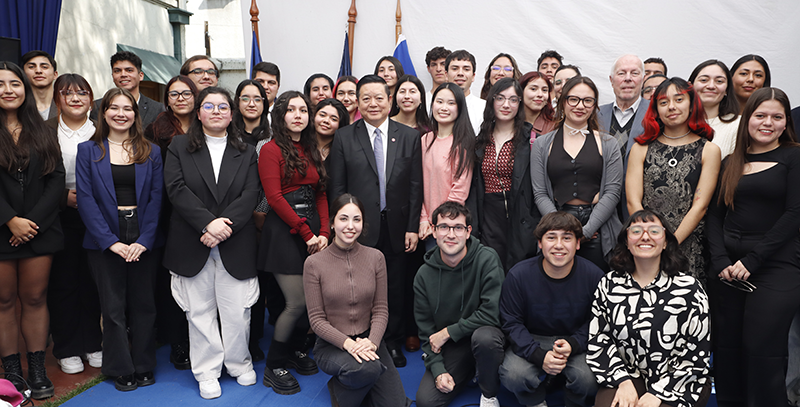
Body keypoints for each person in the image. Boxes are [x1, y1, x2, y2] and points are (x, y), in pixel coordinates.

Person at [162, 87, 260, 399]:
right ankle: (206, 371)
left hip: (235, 241)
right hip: (192, 239)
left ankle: (239, 363)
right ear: (199, 112)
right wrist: (208, 223)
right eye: (209, 106)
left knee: (237, 311)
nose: (216, 111)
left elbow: (250, 194)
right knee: (199, 313)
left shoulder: (246, 149)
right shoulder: (179, 146)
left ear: (232, 114)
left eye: (222, 106)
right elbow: (175, 188)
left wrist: (222, 227)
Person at [706, 87, 800, 407]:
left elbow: (794, 214)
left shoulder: (794, 156)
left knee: (762, 349)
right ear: (748, 119)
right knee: (727, 349)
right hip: (728, 269)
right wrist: (720, 261)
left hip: (776, 266)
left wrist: (754, 258)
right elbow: (715, 216)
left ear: (786, 122)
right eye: (760, 115)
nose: (767, 123)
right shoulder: (732, 160)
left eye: (777, 117)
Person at [327, 75, 423, 368]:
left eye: (379, 97)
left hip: (396, 227)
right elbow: (337, 188)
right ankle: (364, 340)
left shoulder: (408, 136)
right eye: (365, 98)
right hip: (359, 228)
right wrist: (343, 226)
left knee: (394, 287)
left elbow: (415, 185)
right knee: (361, 287)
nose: (373, 104)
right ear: (357, 101)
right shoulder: (345, 136)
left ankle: (390, 342)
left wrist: (411, 226)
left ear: (389, 100)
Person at [76, 87, 162, 392]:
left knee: (144, 304)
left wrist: (145, 239)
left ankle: (144, 364)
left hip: (142, 234)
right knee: (111, 308)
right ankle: (120, 367)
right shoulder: (88, 151)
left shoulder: (151, 151)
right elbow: (85, 200)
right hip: (103, 239)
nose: (121, 113)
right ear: (104, 112)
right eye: (114, 107)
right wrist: (110, 241)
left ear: (135, 115)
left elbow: (155, 200)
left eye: (128, 108)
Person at [587, 209, 712, 407]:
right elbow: (599, 340)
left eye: (654, 231)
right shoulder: (609, 284)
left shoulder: (689, 289)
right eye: (636, 230)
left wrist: (658, 394)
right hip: (629, 376)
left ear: (665, 242)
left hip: (680, 380)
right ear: (626, 242)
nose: (645, 236)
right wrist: (623, 381)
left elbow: (696, 353)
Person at [305, 193, 411, 407]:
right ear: (332, 223)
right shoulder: (314, 263)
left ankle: (358, 384)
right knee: (368, 369)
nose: (350, 226)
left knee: (396, 405)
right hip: (332, 345)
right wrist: (349, 345)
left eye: (357, 219)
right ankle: (340, 389)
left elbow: (381, 309)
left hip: (369, 340)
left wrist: (371, 342)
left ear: (363, 223)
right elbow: (316, 320)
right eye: (343, 218)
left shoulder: (376, 257)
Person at [0, 61, 64, 399]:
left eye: (15, 84)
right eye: (1, 84)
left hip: (40, 228)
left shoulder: (42, 129)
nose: (8, 90)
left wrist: (31, 222)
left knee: (36, 298)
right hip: (1, 229)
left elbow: (55, 178)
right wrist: (10, 219)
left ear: (25, 90)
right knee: (4, 300)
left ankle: (37, 368)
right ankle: (12, 372)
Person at [259, 91, 328, 394]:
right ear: (281, 115)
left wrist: (324, 232)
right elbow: (273, 198)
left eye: (303, 109)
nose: (298, 115)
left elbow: (321, 193)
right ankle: (274, 365)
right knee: (296, 302)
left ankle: (298, 349)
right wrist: (306, 233)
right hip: (284, 232)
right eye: (291, 110)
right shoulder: (270, 150)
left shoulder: (312, 149)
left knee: (313, 298)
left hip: (313, 232)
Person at [499, 212, 602, 407]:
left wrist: (574, 343)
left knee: (589, 378)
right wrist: (539, 356)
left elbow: (599, 320)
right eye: (551, 237)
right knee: (513, 375)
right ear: (540, 243)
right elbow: (511, 322)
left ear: (578, 244)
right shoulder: (518, 275)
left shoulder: (594, 275)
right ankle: (536, 401)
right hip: (533, 338)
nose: (559, 245)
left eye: (567, 238)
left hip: (575, 341)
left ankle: (572, 401)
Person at [627, 76, 720, 282]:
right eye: (663, 102)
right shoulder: (641, 148)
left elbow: (700, 206)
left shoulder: (709, 150)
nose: (671, 107)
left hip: (688, 245)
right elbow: (633, 201)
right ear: (656, 109)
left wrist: (669, 243)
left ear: (691, 104)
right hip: (645, 242)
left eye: (679, 100)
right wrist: (650, 238)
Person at [414, 201, 505, 407]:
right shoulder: (423, 275)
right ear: (434, 232)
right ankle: (471, 371)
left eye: (458, 228)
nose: (451, 234)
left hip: (487, 337)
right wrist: (438, 371)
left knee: (485, 338)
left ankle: (489, 393)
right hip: (454, 347)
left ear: (468, 231)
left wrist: (447, 332)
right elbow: (426, 332)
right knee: (426, 401)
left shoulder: (487, 259)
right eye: (444, 227)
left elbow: (492, 314)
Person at [532, 76, 623, 272]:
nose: (580, 106)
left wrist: (586, 231)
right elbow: (540, 192)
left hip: (597, 224)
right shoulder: (541, 144)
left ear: (595, 106)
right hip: (556, 220)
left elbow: (613, 192)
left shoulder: (609, 144)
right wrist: (560, 230)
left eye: (588, 100)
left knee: (596, 284)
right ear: (563, 102)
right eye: (573, 99)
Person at [45, 74, 102, 375]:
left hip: (99, 216)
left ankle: (93, 342)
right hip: (60, 215)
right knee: (64, 282)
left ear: (91, 99)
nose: (76, 98)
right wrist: (62, 197)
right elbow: (35, 178)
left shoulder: (103, 130)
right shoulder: (44, 132)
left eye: (82, 92)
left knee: (93, 281)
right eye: (68, 93)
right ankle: (66, 347)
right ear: (57, 100)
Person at [144, 75, 198, 371]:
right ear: (167, 99)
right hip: (168, 210)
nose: (180, 98)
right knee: (174, 279)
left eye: (186, 93)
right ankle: (177, 341)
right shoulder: (156, 129)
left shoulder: (208, 122)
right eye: (174, 94)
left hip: (206, 210)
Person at [470, 78, 538, 272]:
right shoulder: (480, 141)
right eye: (500, 98)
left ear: (520, 104)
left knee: (520, 271)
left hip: (522, 214)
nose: (506, 105)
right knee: (492, 269)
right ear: (491, 101)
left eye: (513, 99)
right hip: (489, 215)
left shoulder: (531, 140)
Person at [419, 83, 474, 251]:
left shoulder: (463, 143)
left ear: (460, 108)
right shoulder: (425, 140)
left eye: (451, 103)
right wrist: (423, 219)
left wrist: (439, 224)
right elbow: (417, 183)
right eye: (439, 101)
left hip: (448, 227)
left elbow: (459, 192)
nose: (443, 107)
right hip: (425, 228)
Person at [90, 51, 165, 127]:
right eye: (117, 71)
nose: (123, 74)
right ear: (113, 76)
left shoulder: (157, 109)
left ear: (141, 76)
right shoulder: (98, 106)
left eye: (129, 70)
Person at [598, 55, 648, 166]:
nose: (628, 78)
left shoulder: (655, 113)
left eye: (635, 73)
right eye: (621, 73)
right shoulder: (596, 114)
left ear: (643, 79)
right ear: (611, 80)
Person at [688, 60, 741, 159]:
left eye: (719, 81)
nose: (711, 86)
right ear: (690, 86)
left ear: (727, 89)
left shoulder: (738, 124)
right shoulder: (677, 121)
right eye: (704, 80)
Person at [445, 50, 483, 134]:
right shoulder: (435, 107)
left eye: (466, 69)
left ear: (473, 76)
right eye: (455, 69)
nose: (460, 73)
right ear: (446, 75)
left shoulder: (484, 108)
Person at [21, 51, 58, 120]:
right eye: (31, 67)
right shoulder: (17, 106)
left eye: (44, 67)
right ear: (23, 74)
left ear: (55, 75)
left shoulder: (66, 105)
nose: (38, 71)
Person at [519, 71, 555, 138]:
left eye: (544, 90)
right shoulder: (509, 123)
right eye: (533, 89)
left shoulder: (554, 127)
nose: (540, 95)